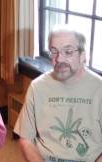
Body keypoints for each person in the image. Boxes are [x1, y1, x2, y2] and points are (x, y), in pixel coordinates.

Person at [14, 25, 102, 162]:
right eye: (54, 51)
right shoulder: (37, 87)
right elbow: (26, 139)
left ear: (83, 55)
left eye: (68, 52)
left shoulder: (99, 88)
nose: (59, 59)